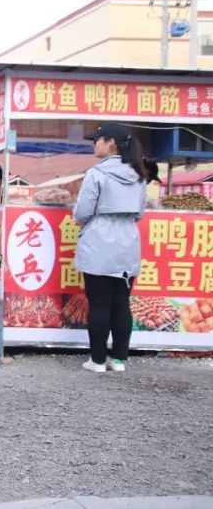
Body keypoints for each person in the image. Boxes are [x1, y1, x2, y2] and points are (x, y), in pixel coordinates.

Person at [74, 123, 148, 374]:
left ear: (111, 143)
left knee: (99, 303)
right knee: (121, 303)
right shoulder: (138, 174)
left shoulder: (96, 173)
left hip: (99, 240)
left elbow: (82, 212)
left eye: (97, 140)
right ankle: (118, 360)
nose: (94, 144)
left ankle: (96, 361)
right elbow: (139, 212)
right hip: (128, 240)